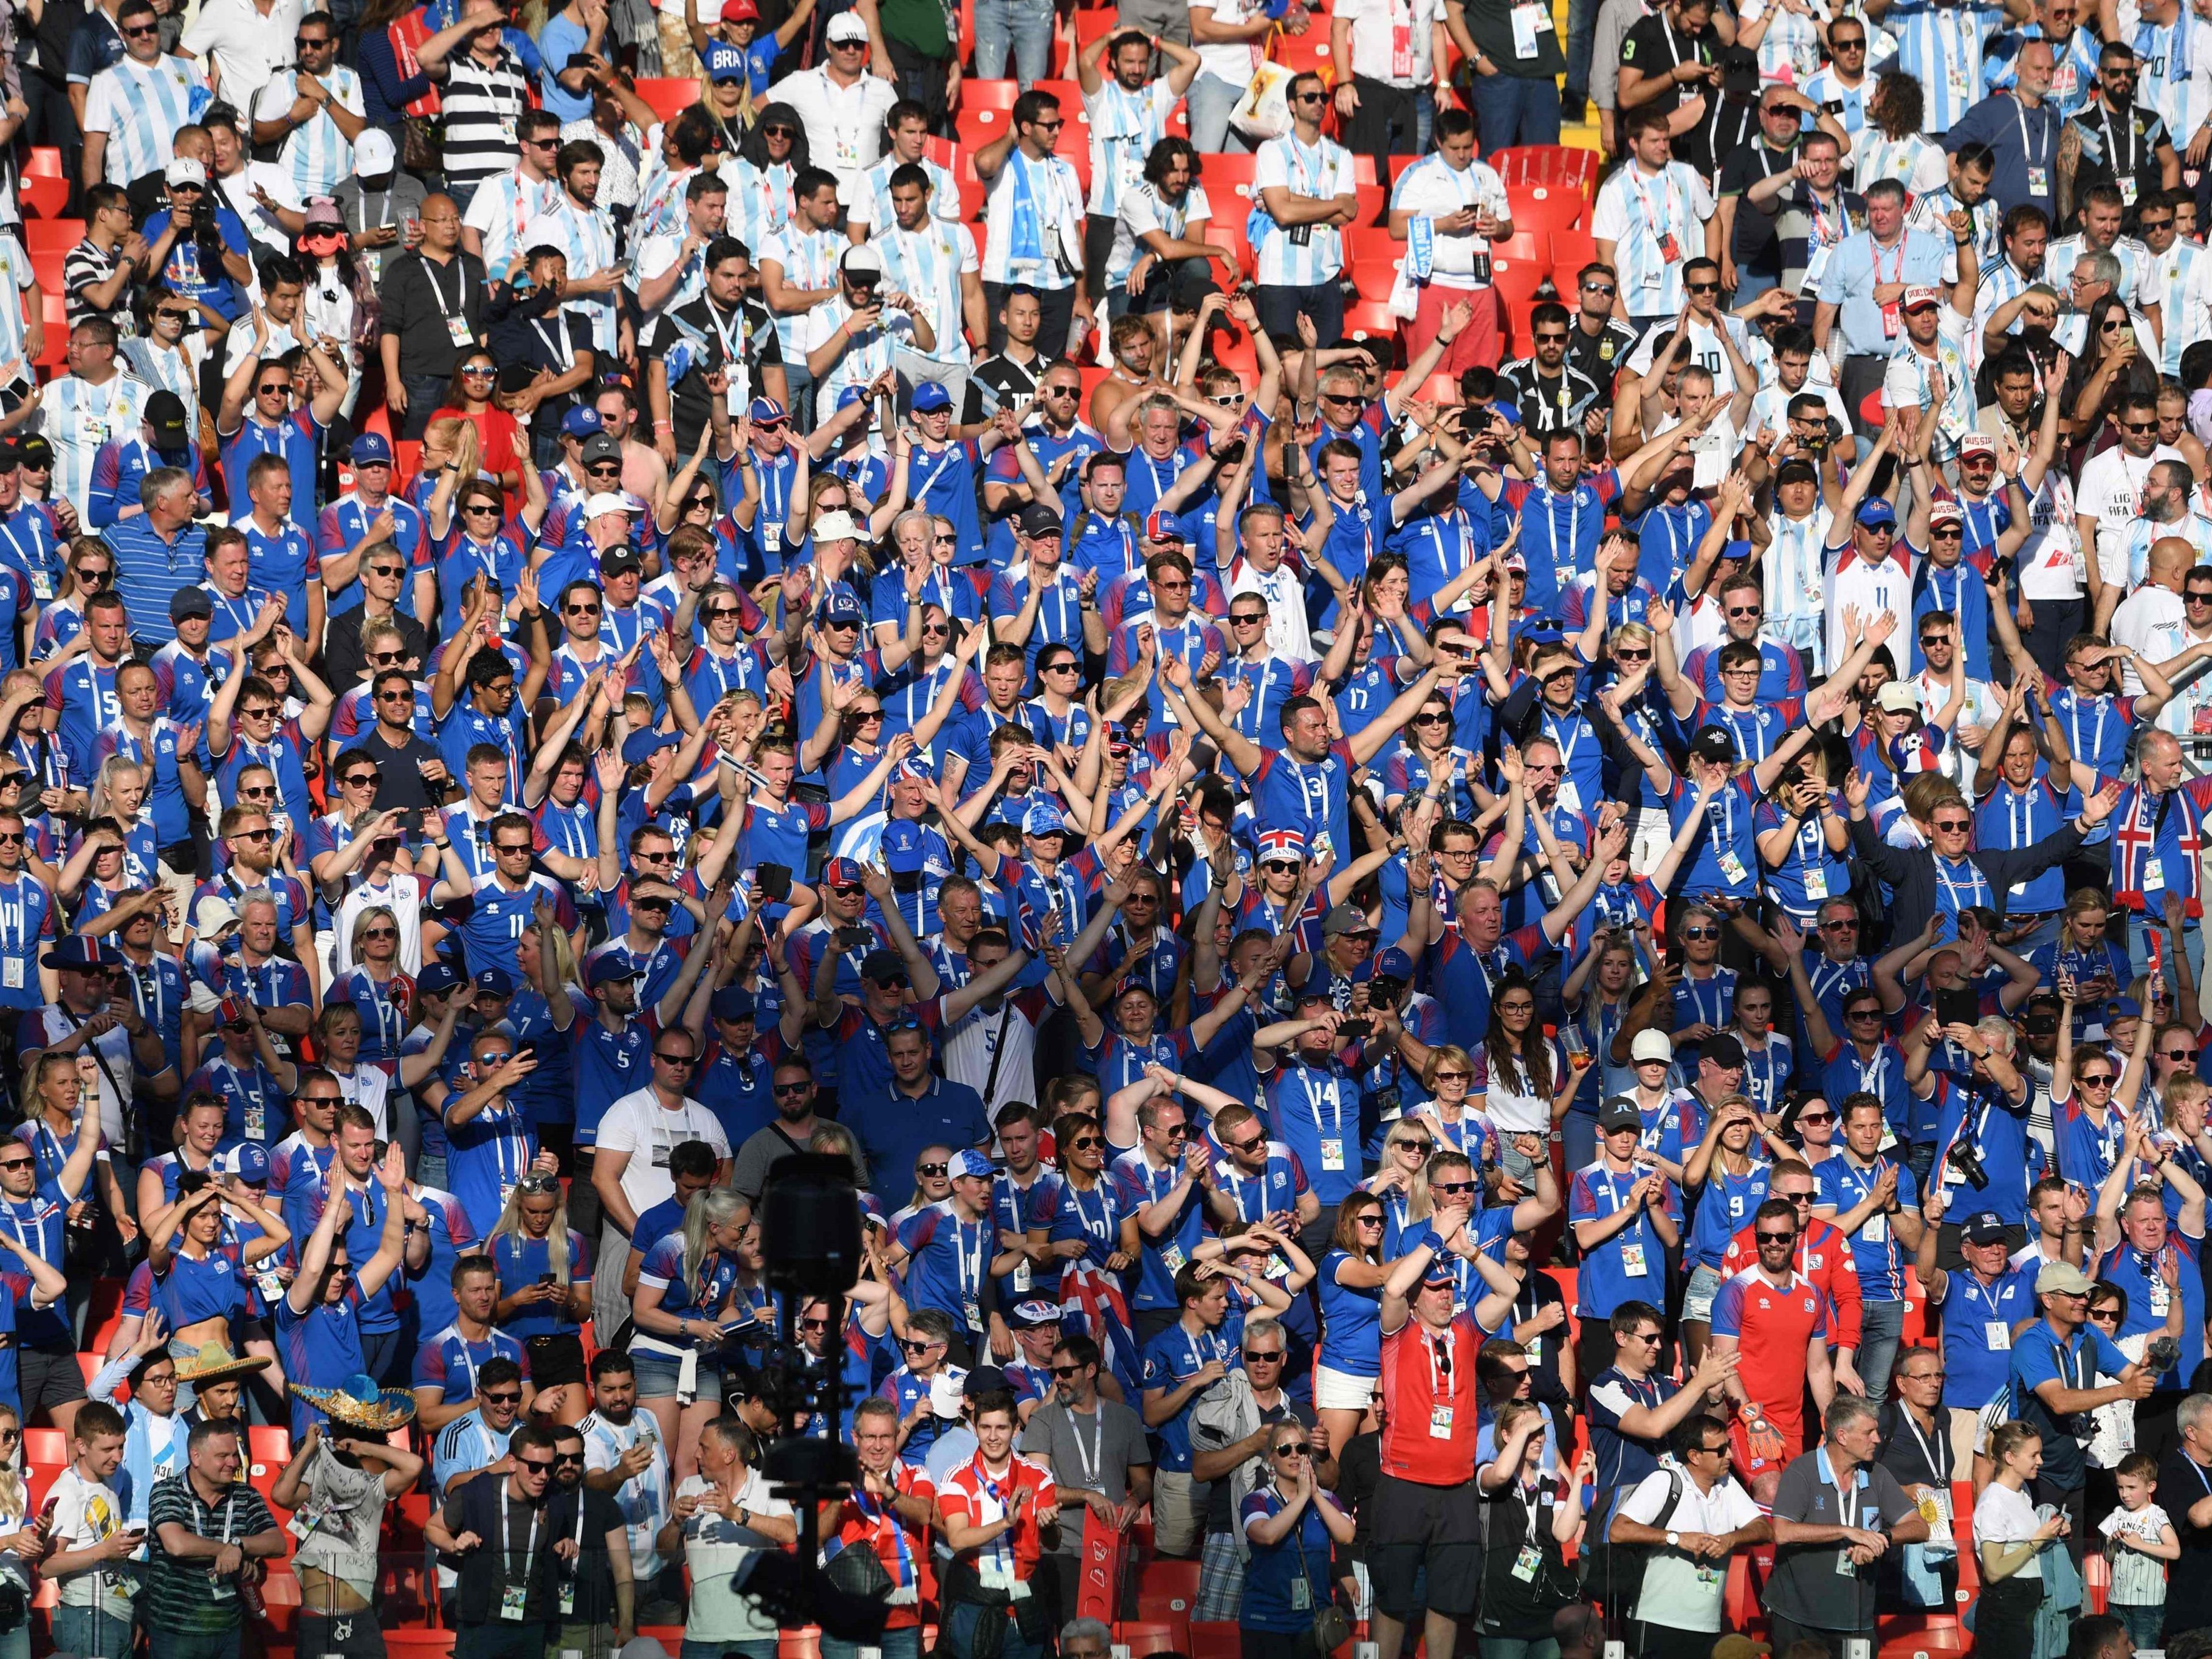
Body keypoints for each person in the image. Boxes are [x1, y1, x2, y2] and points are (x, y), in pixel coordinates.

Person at [1606, 1413, 1768, 1659]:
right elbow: (1618, 1530)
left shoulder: (1728, 1485)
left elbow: (1765, 1529)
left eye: (1730, 1447)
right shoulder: (1664, 1481)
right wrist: (1677, 1539)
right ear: (1694, 1456)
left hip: (1707, 1626)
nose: (1731, 1456)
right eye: (1721, 1450)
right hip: (1657, 1623)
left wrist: (1730, 1539)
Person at [141, 1418, 286, 1659]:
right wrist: (227, 1550)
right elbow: (176, 1544)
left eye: (234, 1455)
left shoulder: (245, 1495)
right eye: (223, 1456)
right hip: (176, 1630)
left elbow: (278, 1543)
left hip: (227, 1630)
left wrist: (239, 1546)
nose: (233, 1463)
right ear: (196, 1457)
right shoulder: (168, 1491)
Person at [1977, 1420, 2069, 1655]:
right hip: (2006, 1607)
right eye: (2034, 1455)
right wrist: (2038, 1540)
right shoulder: (1993, 1502)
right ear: (2010, 1457)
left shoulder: (2023, 1493)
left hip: (2028, 1602)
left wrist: (2053, 1531)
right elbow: (1994, 1570)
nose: (2041, 1461)